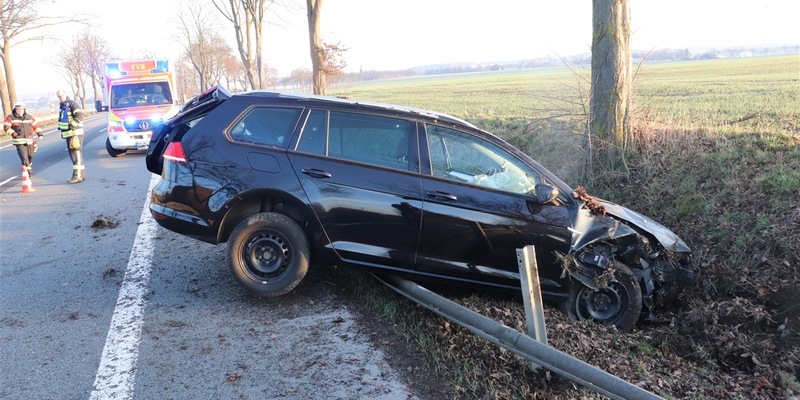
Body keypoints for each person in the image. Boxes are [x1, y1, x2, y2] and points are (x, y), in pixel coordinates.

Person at [4, 102, 44, 176]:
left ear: (24, 109)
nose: (20, 111)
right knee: (24, 156)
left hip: (29, 141)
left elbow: (36, 126)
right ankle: (29, 171)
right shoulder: (10, 117)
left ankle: (27, 165)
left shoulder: (29, 117)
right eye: (18, 109)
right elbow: (6, 127)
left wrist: (39, 134)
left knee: (30, 156)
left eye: (21, 109)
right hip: (19, 141)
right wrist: (13, 133)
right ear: (15, 109)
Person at [56, 90, 85, 183]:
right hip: (69, 134)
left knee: (75, 156)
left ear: (65, 95)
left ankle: (76, 176)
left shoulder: (72, 104)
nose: (61, 97)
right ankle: (81, 175)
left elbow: (80, 115)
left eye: (62, 95)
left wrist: (72, 125)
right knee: (76, 156)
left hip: (75, 133)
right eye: (59, 96)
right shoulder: (63, 105)